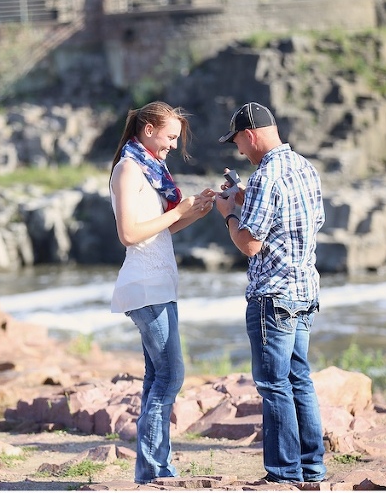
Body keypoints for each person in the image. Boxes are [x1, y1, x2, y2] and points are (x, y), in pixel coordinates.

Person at [214, 102, 327, 483]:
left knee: (273, 385)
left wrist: (228, 213)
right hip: (304, 290)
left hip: (272, 297)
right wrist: (246, 198)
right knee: (300, 380)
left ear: (250, 135)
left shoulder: (265, 176)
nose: (239, 152)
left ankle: (282, 474)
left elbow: (249, 244)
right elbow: (305, 221)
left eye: (239, 144)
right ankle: (312, 470)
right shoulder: (304, 168)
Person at [109, 100, 216, 484]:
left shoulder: (153, 169)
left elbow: (156, 233)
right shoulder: (127, 169)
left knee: (158, 377)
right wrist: (177, 210)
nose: (173, 144)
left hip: (159, 283)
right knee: (171, 375)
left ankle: (150, 470)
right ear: (148, 130)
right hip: (143, 285)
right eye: (171, 136)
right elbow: (129, 235)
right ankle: (155, 470)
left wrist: (195, 212)